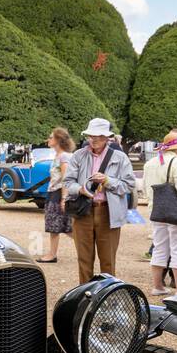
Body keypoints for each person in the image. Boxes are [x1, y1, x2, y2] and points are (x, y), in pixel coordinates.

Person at [63, 118, 136, 285]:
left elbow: (129, 184)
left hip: (108, 212)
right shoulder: (78, 155)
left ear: (107, 138)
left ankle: (107, 299)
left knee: (108, 261)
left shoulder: (120, 157)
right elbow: (68, 182)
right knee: (84, 259)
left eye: (98, 136)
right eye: (91, 135)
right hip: (83, 211)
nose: (93, 139)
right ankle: (85, 297)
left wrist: (108, 181)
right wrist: (80, 189)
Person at [142, 131, 177, 298]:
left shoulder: (150, 163)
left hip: (157, 211)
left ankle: (158, 286)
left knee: (159, 247)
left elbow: (146, 188)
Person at [38, 126, 75, 264]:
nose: (48, 139)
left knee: (60, 225)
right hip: (54, 192)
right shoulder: (59, 156)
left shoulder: (64, 156)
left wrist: (64, 198)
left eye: (51, 137)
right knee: (58, 226)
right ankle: (52, 254)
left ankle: (84, 246)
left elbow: (66, 178)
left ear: (58, 140)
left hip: (58, 193)